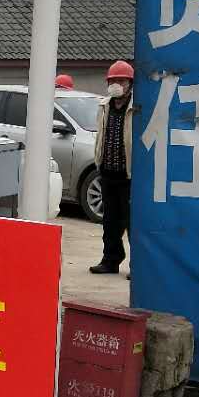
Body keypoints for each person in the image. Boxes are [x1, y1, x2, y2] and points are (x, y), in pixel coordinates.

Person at [90, 60, 135, 277]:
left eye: (121, 81)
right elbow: (101, 136)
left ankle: (137, 266)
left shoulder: (137, 108)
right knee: (110, 222)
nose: (117, 85)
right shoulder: (104, 106)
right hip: (108, 172)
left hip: (129, 176)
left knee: (132, 223)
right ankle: (110, 260)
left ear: (130, 84)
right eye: (113, 81)